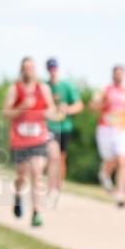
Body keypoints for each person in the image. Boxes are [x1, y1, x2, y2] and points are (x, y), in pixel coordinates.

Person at [1, 57, 59, 227]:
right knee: (21, 175)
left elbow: (51, 108)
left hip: (38, 138)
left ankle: (36, 212)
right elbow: (6, 113)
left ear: (35, 70)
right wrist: (22, 106)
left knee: (36, 172)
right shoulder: (14, 89)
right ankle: (18, 196)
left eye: (31, 67)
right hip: (19, 139)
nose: (28, 70)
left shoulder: (43, 89)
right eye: (25, 68)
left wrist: (51, 113)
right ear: (21, 70)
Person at [91, 64, 125, 208]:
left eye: (121, 73)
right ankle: (104, 174)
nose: (119, 76)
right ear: (112, 75)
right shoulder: (104, 90)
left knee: (123, 160)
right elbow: (92, 107)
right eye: (116, 73)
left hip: (123, 129)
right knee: (110, 160)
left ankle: (120, 195)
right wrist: (102, 102)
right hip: (105, 129)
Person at [45, 57, 84, 200]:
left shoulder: (66, 86)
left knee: (61, 158)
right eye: (50, 68)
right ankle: (50, 188)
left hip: (64, 127)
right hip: (49, 127)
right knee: (52, 156)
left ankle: (58, 188)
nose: (52, 70)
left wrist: (67, 109)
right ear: (47, 69)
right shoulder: (44, 86)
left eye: (54, 67)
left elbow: (79, 105)